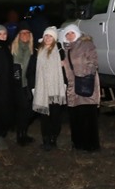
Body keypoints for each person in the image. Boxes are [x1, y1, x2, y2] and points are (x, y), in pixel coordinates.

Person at [60, 23, 101, 151]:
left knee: (88, 115)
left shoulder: (87, 45)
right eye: (67, 34)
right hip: (73, 87)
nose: (70, 35)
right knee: (75, 116)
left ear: (77, 33)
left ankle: (91, 145)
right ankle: (78, 143)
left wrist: (82, 74)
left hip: (86, 84)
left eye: (72, 32)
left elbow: (93, 62)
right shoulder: (67, 49)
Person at [32, 26, 67, 151]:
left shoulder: (59, 51)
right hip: (42, 89)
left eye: (50, 36)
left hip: (55, 89)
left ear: (54, 38)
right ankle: (45, 139)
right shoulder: (38, 50)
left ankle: (53, 139)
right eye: (46, 35)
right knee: (44, 117)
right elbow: (33, 68)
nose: (48, 38)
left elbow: (64, 69)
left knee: (55, 115)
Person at [9, 26, 37, 145]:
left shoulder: (32, 51)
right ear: (18, 35)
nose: (25, 35)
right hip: (15, 86)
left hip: (27, 85)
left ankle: (22, 132)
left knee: (29, 111)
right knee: (21, 111)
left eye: (27, 33)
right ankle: (21, 136)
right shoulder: (12, 50)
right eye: (22, 33)